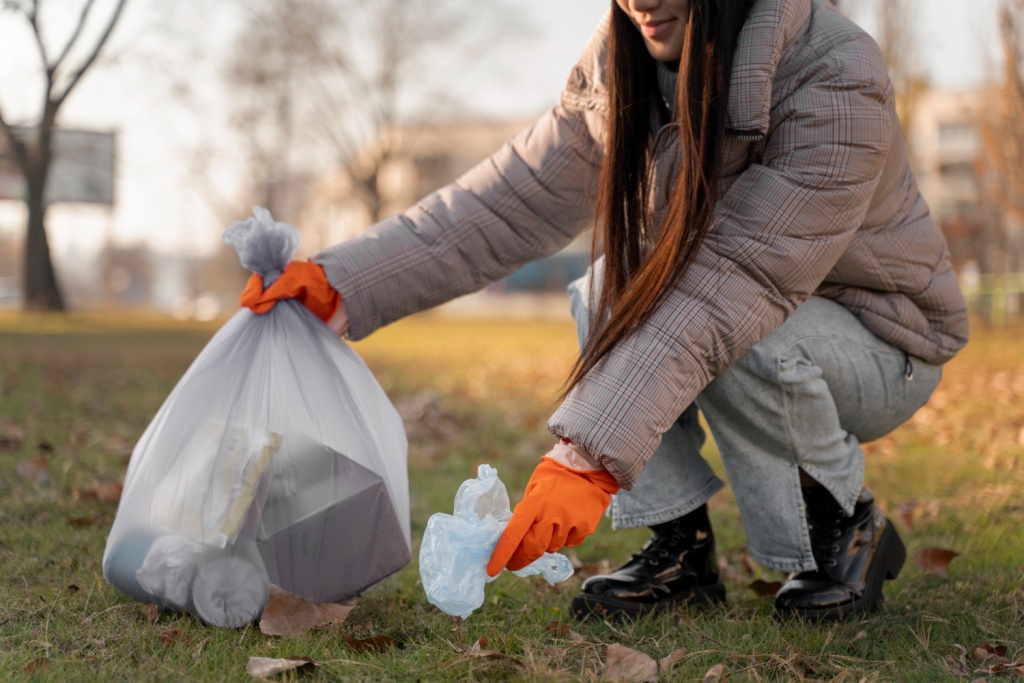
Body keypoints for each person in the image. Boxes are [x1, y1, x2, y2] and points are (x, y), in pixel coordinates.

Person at [241, 0, 968, 622]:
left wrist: (588, 455)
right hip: (749, 310)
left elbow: (738, 280)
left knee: (752, 335)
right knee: (604, 290)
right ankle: (679, 550)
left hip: (882, 341)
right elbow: (503, 205)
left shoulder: (833, 72)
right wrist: (345, 281)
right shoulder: (620, 66)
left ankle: (844, 526)